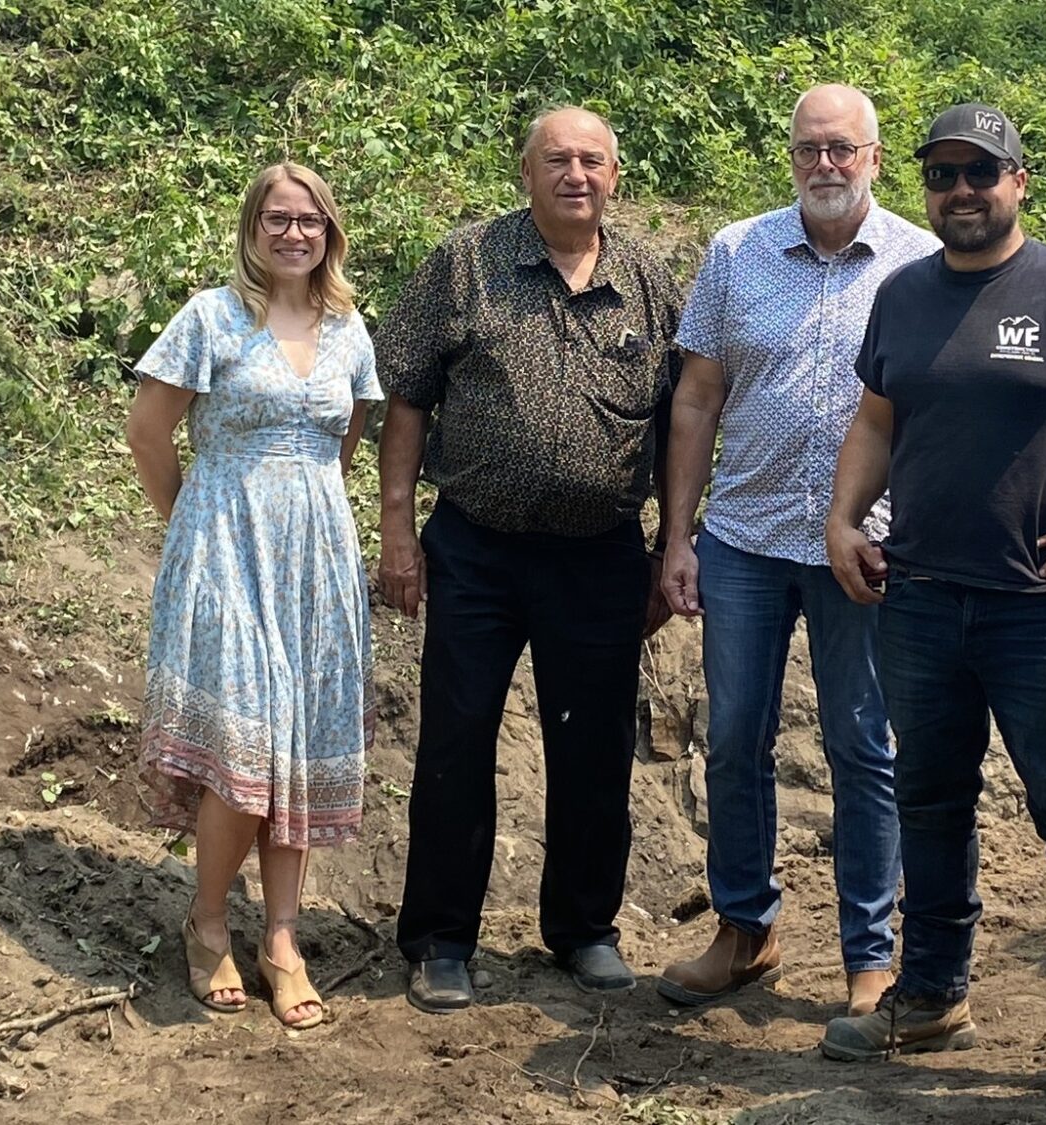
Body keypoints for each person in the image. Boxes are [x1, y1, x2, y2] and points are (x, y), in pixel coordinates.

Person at [820, 103, 1046, 1114]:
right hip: (915, 594)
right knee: (927, 798)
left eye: (979, 172)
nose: (960, 190)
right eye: (943, 175)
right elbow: (876, 415)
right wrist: (841, 520)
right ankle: (928, 993)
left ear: (1018, 179)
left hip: (1037, 611)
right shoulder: (902, 294)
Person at [374, 106, 681, 1013]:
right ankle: (440, 940)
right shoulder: (465, 263)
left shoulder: (651, 283)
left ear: (615, 176)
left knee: (593, 753)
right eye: (557, 159)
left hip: (600, 558)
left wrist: (673, 543)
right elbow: (405, 403)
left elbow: (682, 420)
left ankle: (585, 929)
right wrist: (398, 530)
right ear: (527, 171)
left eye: (592, 160)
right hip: (476, 547)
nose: (575, 174)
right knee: (456, 743)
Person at [656, 84, 937, 1019]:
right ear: (792, 156)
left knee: (865, 745)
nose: (826, 164)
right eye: (810, 149)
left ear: (874, 158)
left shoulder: (921, 261)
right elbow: (696, 398)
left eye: (842, 149)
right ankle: (746, 929)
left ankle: (871, 953)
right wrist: (678, 532)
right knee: (735, 738)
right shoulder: (736, 252)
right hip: (744, 538)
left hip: (867, 547)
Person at [128, 162, 383, 1031]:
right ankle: (206, 921)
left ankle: (281, 936)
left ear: (329, 231)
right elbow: (148, 428)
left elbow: (341, 445)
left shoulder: (350, 328)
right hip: (222, 550)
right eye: (278, 218)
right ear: (252, 226)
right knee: (244, 749)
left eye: (309, 220)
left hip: (316, 558)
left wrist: (305, 521)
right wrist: (190, 520)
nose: (293, 234)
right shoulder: (210, 317)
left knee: (301, 750)